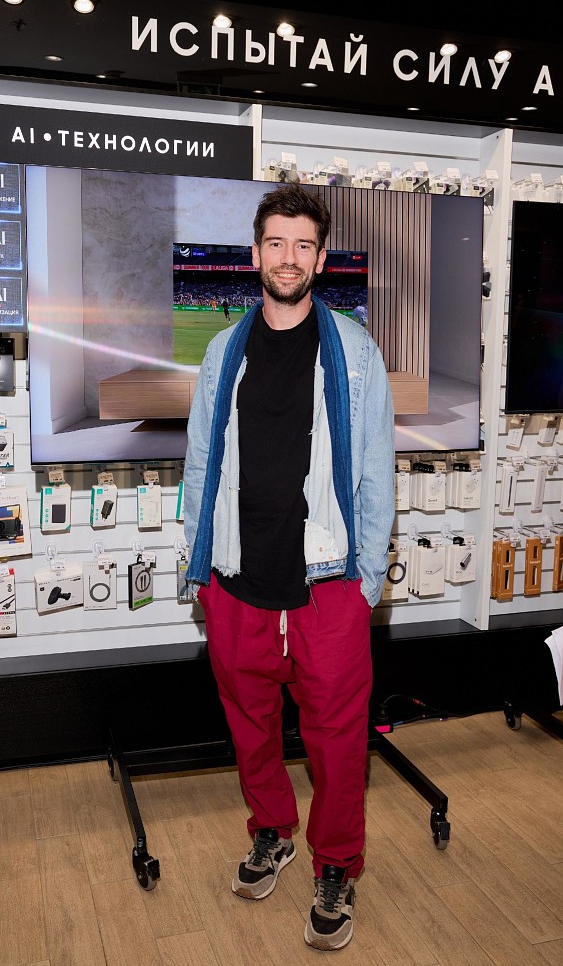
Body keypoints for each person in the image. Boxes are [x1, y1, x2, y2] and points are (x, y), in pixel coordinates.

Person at [183, 184, 395, 952]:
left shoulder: (355, 352)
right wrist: (198, 564)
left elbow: (375, 471)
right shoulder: (222, 351)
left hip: (327, 583)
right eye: (276, 242)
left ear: (320, 259)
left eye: (303, 245)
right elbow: (200, 461)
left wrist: (367, 582)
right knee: (250, 725)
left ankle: (335, 865)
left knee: (337, 741)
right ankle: (271, 830)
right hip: (236, 577)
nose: (288, 257)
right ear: (255, 253)